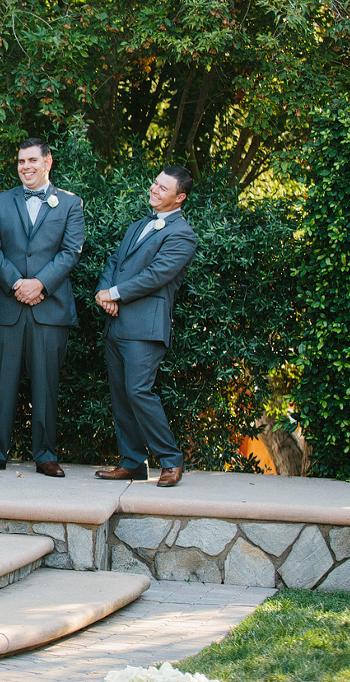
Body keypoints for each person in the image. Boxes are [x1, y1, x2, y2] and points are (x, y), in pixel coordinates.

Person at [0, 138, 85, 477]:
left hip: (49, 307)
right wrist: (16, 284)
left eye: (33, 160)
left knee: (46, 384)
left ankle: (46, 454)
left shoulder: (70, 203)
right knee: (1, 384)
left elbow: (70, 252)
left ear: (48, 162)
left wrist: (40, 284)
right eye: (21, 161)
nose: (26, 167)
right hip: (7, 307)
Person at [94, 166, 198, 488]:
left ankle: (171, 460)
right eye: (154, 183)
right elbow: (115, 261)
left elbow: (157, 275)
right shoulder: (139, 225)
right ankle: (132, 462)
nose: (154, 189)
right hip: (117, 322)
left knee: (139, 391)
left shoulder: (182, 235)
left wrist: (115, 293)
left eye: (163, 188)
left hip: (145, 327)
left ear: (179, 197)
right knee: (121, 394)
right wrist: (104, 293)